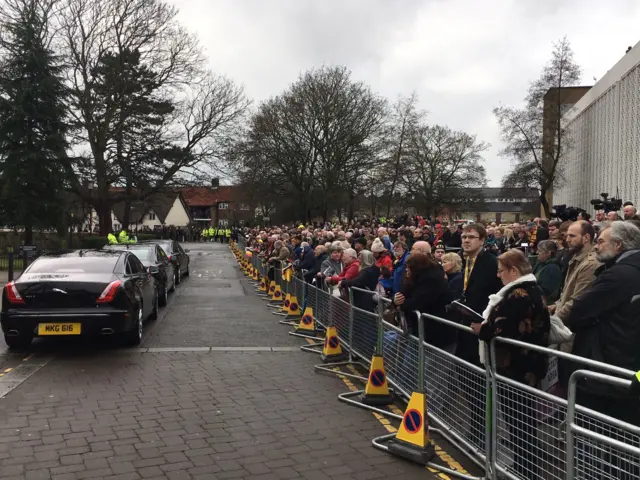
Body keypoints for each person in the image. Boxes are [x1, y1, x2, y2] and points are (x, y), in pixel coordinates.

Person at [477, 249, 550, 479]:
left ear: (513, 271)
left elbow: (502, 327)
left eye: (501, 271)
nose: (498, 276)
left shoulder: (518, 293)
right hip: (526, 363)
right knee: (522, 420)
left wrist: (482, 329)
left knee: (519, 420)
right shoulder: (533, 289)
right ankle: (524, 466)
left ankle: (525, 469)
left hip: (517, 365)